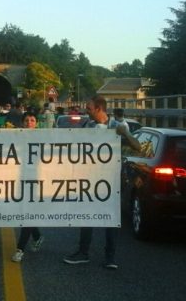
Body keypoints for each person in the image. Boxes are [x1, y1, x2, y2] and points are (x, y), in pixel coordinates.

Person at [63, 95, 123, 270]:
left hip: (111, 181)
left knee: (111, 220)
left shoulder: (118, 126)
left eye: (88, 108)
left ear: (98, 108)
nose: (85, 111)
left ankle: (110, 257)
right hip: (90, 179)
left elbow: (139, 148)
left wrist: (125, 134)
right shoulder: (87, 125)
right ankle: (83, 253)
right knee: (87, 215)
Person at [11, 112, 45, 262]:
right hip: (19, 181)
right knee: (24, 212)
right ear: (22, 123)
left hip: (37, 182)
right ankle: (37, 236)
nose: (29, 123)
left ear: (36, 123)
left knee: (27, 214)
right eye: (26, 120)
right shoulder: (16, 137)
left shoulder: (43, 138)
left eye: (32, 120)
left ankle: (20, 249)